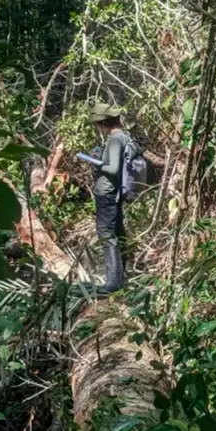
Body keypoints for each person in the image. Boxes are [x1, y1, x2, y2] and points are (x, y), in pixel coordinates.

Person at [87, 103, 130, 293]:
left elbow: (112, 168)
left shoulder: (115, 139)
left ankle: (113, 282)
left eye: (97, 125)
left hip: (107, 192)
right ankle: (121, 277)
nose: (97, 129)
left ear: (104, 122)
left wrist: (94, 161)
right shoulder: (125, 136)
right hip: (116, 191)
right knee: (118, 232)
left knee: (107, 235)